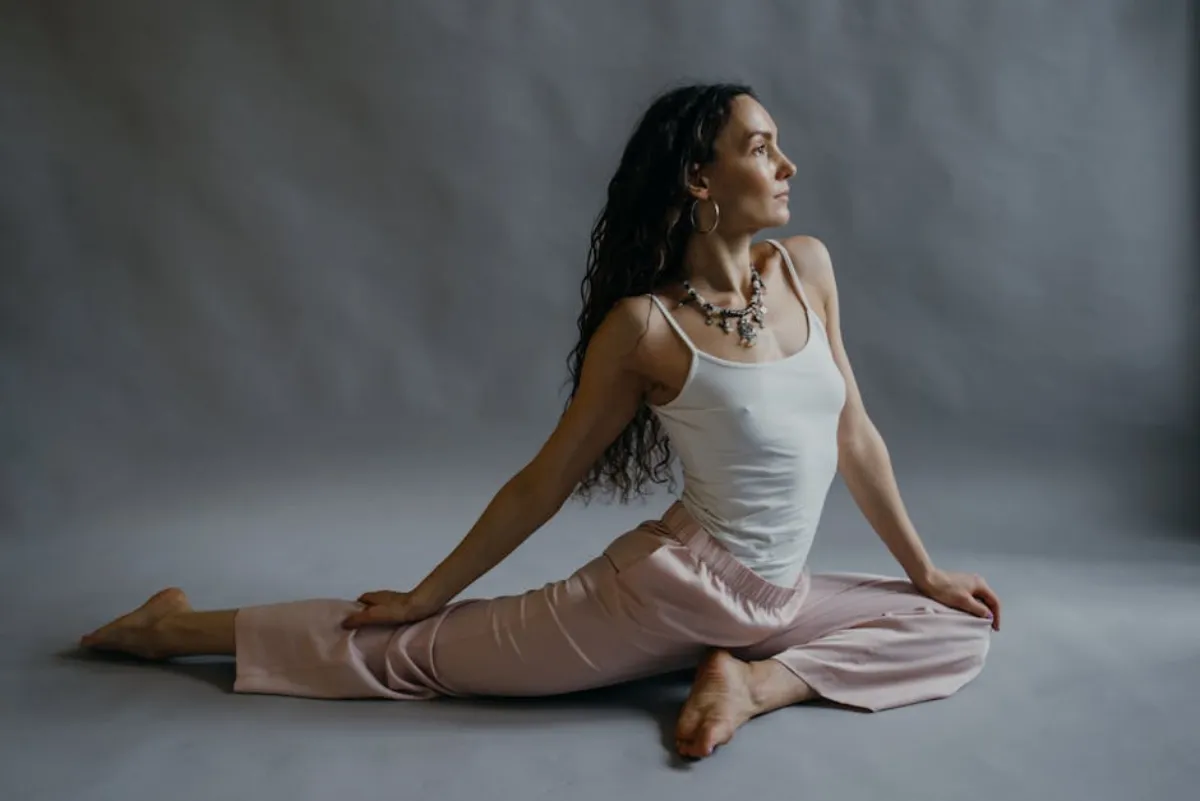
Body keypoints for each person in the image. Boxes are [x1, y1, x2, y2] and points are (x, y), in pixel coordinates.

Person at [80, 83, 1001, 760]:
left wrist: (923, 569)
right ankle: (173, 628)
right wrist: (425, 592)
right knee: (411, 656)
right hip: (667, 591)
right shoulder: (646, 327)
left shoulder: (808, 267)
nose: (788, 165)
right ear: (697, 177)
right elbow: (545, 479)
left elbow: (856, 434)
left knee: (955, 623)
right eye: (761, 147)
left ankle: (753, 682)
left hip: (779, 599)